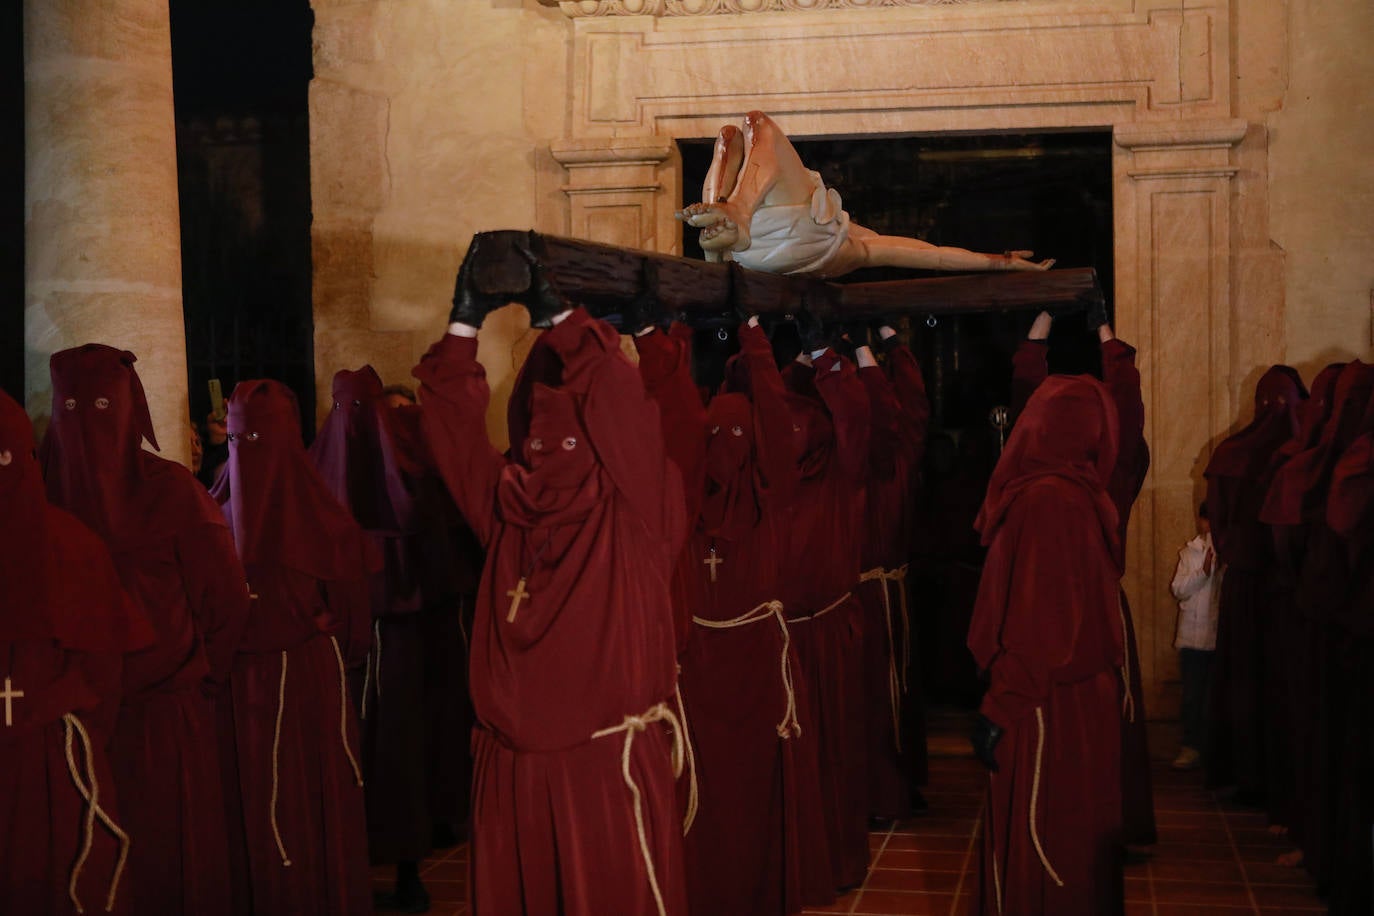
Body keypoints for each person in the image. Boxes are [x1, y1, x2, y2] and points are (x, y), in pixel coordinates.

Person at [414, 243, 690, 915]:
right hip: (513, 774)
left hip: (598, 775)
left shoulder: (631, 511)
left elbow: (455, 423)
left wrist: (487, 325)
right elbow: (453, 434)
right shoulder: (509, 504)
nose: (544, 459)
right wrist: (474, 319)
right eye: (536, 446)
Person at [41, 344, 251, 916]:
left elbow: (225, 602)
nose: (87, 422)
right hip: (72, 726)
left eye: (102, 406)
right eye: (73, 407)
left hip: (161, 716)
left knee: (165, 862)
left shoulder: (171, 491)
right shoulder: (33, 493)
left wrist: (199, 680)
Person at [212, 379, 375, 916]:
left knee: (306, 796)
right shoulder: (213, 515)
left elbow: (352, 623)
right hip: (239, 687)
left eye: (259, 439)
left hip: (305, 683)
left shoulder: (325, 519)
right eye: (237, 441)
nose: (247, 452)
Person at [968, 374, 1125, 916]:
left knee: (1049, 842)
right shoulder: (1077, 493)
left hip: (1045, 704)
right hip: (1075, 702)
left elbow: (1042, 629)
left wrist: (999, 708)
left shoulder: (1049, 500)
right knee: (1073, 841)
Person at [0, 389, 155, 916]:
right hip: (54, 756)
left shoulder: (75, 544)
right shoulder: (76, 542)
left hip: (55, 757)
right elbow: (104, 677)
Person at [308, 366, 436, 913]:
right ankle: (347, 870)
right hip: (342, 643)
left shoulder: (405, 473)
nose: (355, 423)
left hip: (395, 639)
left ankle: (406, 869)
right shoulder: (316, 471)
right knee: (345, 752)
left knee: (397, 752)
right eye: (346, 409)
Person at [677, 111, 1054, 278]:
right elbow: (934, 255)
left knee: (755, 126)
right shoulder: (860, 246)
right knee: (731, 136)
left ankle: (729, 216)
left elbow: (934, 256)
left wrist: (1003, 262)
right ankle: (723, 224)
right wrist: (1002, 262)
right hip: (756, 251)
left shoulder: (844, 241)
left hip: (767, 242)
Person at [778, 325, 873, 892]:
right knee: (819, 756)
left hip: (811, 630)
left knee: (823, 755)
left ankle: (815, 863)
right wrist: (815, 356)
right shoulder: (834, 457)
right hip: (788, 635)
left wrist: (812, 357)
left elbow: (857, 417)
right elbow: (856, 415)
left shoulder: (837, 461)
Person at [1169, 501, 1222, 771]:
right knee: (1192, 696)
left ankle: (1214, 750)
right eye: (1206, 520)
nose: (1209, 526)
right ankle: (1190, 746)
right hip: (1191, 639)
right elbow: (1178, 589)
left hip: (1216, 638)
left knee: (1214, 697)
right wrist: (1204, 571)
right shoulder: (1189, 552)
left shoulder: (1229, 551)